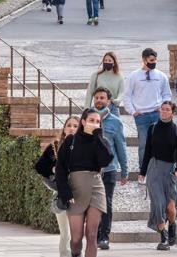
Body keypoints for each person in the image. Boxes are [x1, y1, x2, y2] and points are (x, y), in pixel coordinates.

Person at [55, 108, 114, 257]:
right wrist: (65, 192)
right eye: (91, 120)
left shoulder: (101, 141)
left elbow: (106, 160)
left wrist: (98, 137)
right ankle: (75, 254)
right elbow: (60, 169)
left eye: (97, 122)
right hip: (75, 188)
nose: (94, 124)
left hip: (96, 186)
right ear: (83, 121)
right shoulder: (71, 140)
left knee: (92, 235)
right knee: (76, 239)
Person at [139, 101, 177, 250]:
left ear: (173, 112)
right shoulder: (152, 129)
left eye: (167, 110)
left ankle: (172, 225)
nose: (164, 112)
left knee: (171, 208)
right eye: (162, 109)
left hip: (170, 170)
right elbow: (147, 151)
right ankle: (163, 237)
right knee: (158, 204)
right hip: (154, 169)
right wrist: (142, 172)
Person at [34, 116, 80, 257]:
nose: (71, 128)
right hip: (62, 195)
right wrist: (53, 169)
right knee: (65, 234)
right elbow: (39, 167)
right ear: (64, 128)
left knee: (77, 234)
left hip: (80, 195)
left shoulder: (84, 147)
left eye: (75, 126)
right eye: (69, 125)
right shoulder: (54, 146)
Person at [123, 48, 172, 170]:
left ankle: (158, 169)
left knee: (159, 143)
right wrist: (133, 111)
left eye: (155, 60)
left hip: (157, 114)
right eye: (151, 60)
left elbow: (167, 94)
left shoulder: (161, 76)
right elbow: (127, 95)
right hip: (141, 116)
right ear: (144, 60)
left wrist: (163, 108)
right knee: (143, 145)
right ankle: (143, 171)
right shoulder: (133, 76)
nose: (153, 62)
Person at [92, 88, 129, 251]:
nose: (99, 100)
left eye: (102, 98)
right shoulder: (87, 119)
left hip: (109, 170)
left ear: (108, 101)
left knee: (106, 203)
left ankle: (104, 237)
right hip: (90, 171)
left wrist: (125, 171)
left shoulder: (115, 122)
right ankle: (94, 235)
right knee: (92, 205)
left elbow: (121, 147)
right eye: (97, 98)